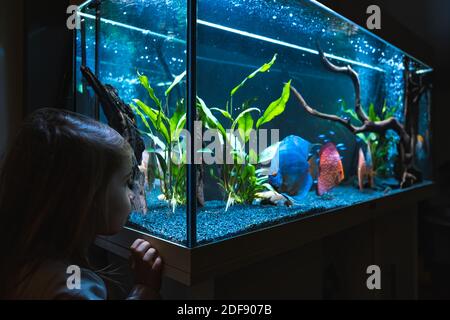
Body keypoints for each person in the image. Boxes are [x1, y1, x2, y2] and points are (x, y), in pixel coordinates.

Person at [0, 108, 163, 299]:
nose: (132, 195)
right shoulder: (72, 288)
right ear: (89, 198)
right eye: (126, 182)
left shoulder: (27, 264)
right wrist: (144, 290)